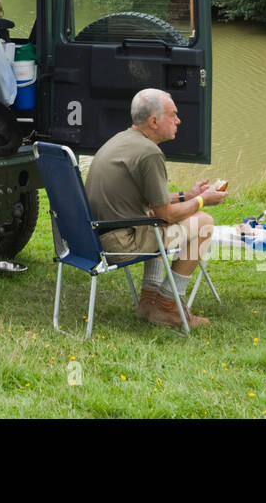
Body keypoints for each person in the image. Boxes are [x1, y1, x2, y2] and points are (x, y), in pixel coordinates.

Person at [85, 88, 229, 329]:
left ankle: (149, 301)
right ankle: (167, 306)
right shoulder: (149, 152)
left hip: (93, 237)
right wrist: (203, 200)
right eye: (173, 115)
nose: (178, 120)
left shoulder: (121, 140)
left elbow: (149, 199)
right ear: (153, 122)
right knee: (204, 223)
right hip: (119, 243)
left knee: (159, 220)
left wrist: (187, 195)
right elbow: (166, 214)